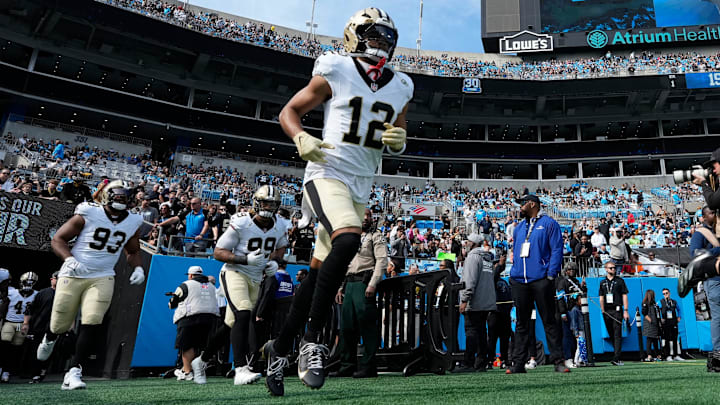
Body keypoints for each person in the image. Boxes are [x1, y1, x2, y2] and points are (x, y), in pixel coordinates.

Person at [261, 7, 413, 396]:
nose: (382, 45)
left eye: (386, 39)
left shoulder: (402, 85)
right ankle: (312, 341)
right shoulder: (337, 67)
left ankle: (277, 351)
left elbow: (399, 131)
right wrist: (299, 137)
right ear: (355, 35)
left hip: (361, 184)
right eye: (375, 37)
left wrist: (399, 140)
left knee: (315, 276)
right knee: (349, 239)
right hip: (327, 172)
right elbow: (290, 111)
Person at [35, 179, 146, 390]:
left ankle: (74, 371)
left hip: (103, 275)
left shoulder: (133, 221)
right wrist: (69, 259)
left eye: (125, 195)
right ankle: (50, 337)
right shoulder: (89, 212)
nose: (122, 199)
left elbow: (133, 251)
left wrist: (138, 268)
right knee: (59, 323)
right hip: (74, 273)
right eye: (118, 195)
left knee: (92, 320)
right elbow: (58, 239)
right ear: (106, 196)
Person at [190, 186, 288, 386]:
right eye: (265, 202)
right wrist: (244, 259)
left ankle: (201, 361)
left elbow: (281, 246)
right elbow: (219, 252)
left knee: (231, 325)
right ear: (256, 202)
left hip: (255, 278)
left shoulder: (280, 225)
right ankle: (241, 369)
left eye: (272, 204)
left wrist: (276, 261)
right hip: (235, 272)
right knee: (243, 314)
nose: (268, 207)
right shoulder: (242, 222)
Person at [506, 194, 568, 374]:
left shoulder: (549, 224)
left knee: (550, 320)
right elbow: (516, 250)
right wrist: (514, 271)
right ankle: (518, 363)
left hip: (541, 279)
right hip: (519, 280)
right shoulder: (519, 228)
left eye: (522, 204)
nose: (520, 207)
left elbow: (557, 249)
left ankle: (558, 361)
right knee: (521, 323)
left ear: (532, 204)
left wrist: (551, 274)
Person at [331, 208, 387, 378]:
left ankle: (369, 366)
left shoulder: (375, 235)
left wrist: (373, 283)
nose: (365, 218)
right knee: (347, 327)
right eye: (362, 215)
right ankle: (347, 364)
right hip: (349, 283)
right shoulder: (351, 236)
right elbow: (344, 262)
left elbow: (382, 261)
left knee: (367, 326)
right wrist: (340, 287)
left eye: (368, 215)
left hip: (364, 282)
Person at [687, 148, 720, 371]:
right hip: (713, 276)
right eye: (710, 212)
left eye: (714, 165)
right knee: (717, 315)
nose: (714, 214)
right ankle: (717, 353)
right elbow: (694, 255)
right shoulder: (701, 233)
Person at [169, 266, 219, 381]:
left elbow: (173, 303)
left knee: (186, 346)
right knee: (201, 346)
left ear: (190, 275)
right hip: (210, 318)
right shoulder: (211, 286)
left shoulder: (185, 284)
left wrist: (171, 302)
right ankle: (197, 371)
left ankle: (187, 372)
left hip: (190, 318)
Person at [457, 233, 496, 372]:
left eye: (467, 242)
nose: (465, 244)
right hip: (486, 302)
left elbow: (470, 280)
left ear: (473, 243)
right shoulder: (487, 258)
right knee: (481, 332)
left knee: (471, 332)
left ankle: (468, 362)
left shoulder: (473, 257)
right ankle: (481, 363)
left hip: (474, 302)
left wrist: (464, 300)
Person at [0, 272, 38, 382]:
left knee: (15, 348)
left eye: (31, 282)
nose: (28, 284)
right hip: (9, 322)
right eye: (26, 282)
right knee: (4, 344)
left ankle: (6, 371)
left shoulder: (36, 295)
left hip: (21, 324)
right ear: (21, 282)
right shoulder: (11, 292)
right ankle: (1, 368)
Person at [25, 271, 59, 383]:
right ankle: (34, 374)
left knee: (48, 350)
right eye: (57, 278)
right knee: (36, 350)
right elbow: (31, 309)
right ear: (52, 279)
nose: (58, 280)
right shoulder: (42, 293)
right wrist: (26, 324)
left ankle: (42, 372)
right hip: (39, 326)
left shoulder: (64, 294)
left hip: (55, 326)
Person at [556, 262, 586, 369]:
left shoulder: (577, 282)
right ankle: (567, 358)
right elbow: (560, 298)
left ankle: (578, 358)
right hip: (568, 311)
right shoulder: (562, 282)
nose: (572, 271)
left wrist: (583, 288)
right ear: (566, 271)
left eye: (573, 269)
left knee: (578, 336)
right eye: (569, 269)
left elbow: (582, 295)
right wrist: (563, 312)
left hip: (577, 311)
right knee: (567, 335)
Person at [598, 261, 629, 366]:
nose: (613, 270)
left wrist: (625, 310)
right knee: (611, 334)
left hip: (617, 310)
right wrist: (602, 309)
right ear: (606, 269)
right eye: (611, 268)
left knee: (617, 334)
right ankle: (616, 354)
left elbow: (624, 295)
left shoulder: (620, 281)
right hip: (606, 310)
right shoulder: (602, 283)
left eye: (614, 268)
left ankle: (616, 357)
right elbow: (601, 297)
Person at [488, 255, 512, 369]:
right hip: (494, 313)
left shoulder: (504, 282)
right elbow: (494, 276)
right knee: (492, 338)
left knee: (505, 338)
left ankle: (505, 359)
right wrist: (500, 266)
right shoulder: (490, 279)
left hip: (505, 313)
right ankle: (490, 359)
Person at [660, 288, 683, 361]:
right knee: (667, 339)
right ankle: (668, 355)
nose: (665, 295)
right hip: (666, 322)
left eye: (666, 293)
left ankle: (676, 355)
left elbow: (679, 309)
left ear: (669, 293)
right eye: (664, 294)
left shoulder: (674, 302)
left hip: (673, 321)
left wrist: (679, 316)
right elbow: (656, 310)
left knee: (674, 338)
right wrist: (660, 318)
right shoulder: (660, 302)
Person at [642, 289, 662, 362]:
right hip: (649, 324)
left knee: (655, 340)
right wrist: (650, 320)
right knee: (649, 340)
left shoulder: (654, 303)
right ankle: (649, 355)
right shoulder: (645, 303)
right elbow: (644, 313)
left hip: (655, 324)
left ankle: (657, 355)